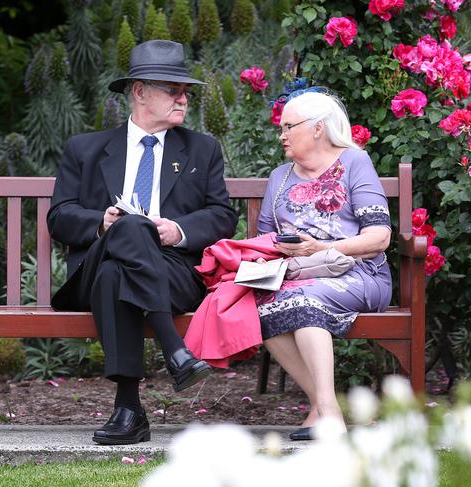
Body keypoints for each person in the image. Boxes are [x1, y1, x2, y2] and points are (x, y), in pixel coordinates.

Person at [47, 40, 238, 445]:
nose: (183, 98)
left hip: (172, 270)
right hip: (94, 268)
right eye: (173, 90)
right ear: (139, 92)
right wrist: (102, 222)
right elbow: (59, 217)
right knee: (128, 229)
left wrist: (177, 230)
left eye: (186, 91)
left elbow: (223, 216)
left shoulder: (202, 149)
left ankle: (129, 409)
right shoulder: (85, 149)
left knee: (123, 265)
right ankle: (176, 350)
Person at [255, 90, 392, 440]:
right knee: (260, 306)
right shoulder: (280, 177)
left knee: (304, 300)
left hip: (359, 272)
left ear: (318, 129)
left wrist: (324, 246)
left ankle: (327, 414)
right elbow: (264, 240)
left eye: (288, 127)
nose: (281, 135)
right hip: (296, 275)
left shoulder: (354, 163)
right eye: (280, 128)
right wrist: (272, 254)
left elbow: (379, 237)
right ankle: (326, 407)